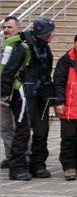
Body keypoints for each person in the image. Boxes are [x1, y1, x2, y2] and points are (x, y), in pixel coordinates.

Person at [2, 16, 56, 181]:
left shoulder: (45, 48)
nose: (52, 35)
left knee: (42, 131)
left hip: (41, 95)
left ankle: (38, 165)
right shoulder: (24, 47)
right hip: (24, 94)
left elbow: (46, 72)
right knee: (23, 131)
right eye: (50, 32)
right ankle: (17, 168)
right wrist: (3, 97)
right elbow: (9, 72)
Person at [50, 30, 77, 180]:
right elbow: (59, 82)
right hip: (70, 103)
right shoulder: (66, 60)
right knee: (69, 137)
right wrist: (59, 101)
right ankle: (69, 166)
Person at [1, 15, 23, 168]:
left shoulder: (22, 46)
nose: (6, 30)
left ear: (18, 28)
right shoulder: (2, 46)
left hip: (16, 92)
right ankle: (10, 156)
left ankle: (24, 156)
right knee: (5, 127)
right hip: (2, 92)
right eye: (4, 27)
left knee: (19, 127)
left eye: (10, 27)